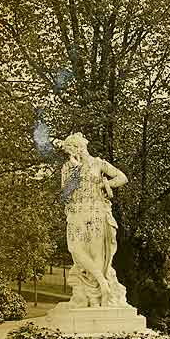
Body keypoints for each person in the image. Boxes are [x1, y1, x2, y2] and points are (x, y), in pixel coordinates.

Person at [56, 132, 129, 308]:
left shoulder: (98, 163)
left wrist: (106, 185)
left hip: (96, 211)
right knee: (76, 249)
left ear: (79, 148)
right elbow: (65, 194)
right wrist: (75, 171)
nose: (71, 153)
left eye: (72, 149)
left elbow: (122, 178)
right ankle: (103, 284)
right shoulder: (68, 168)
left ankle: (98, 298)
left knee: (97, 253)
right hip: (77, 212)